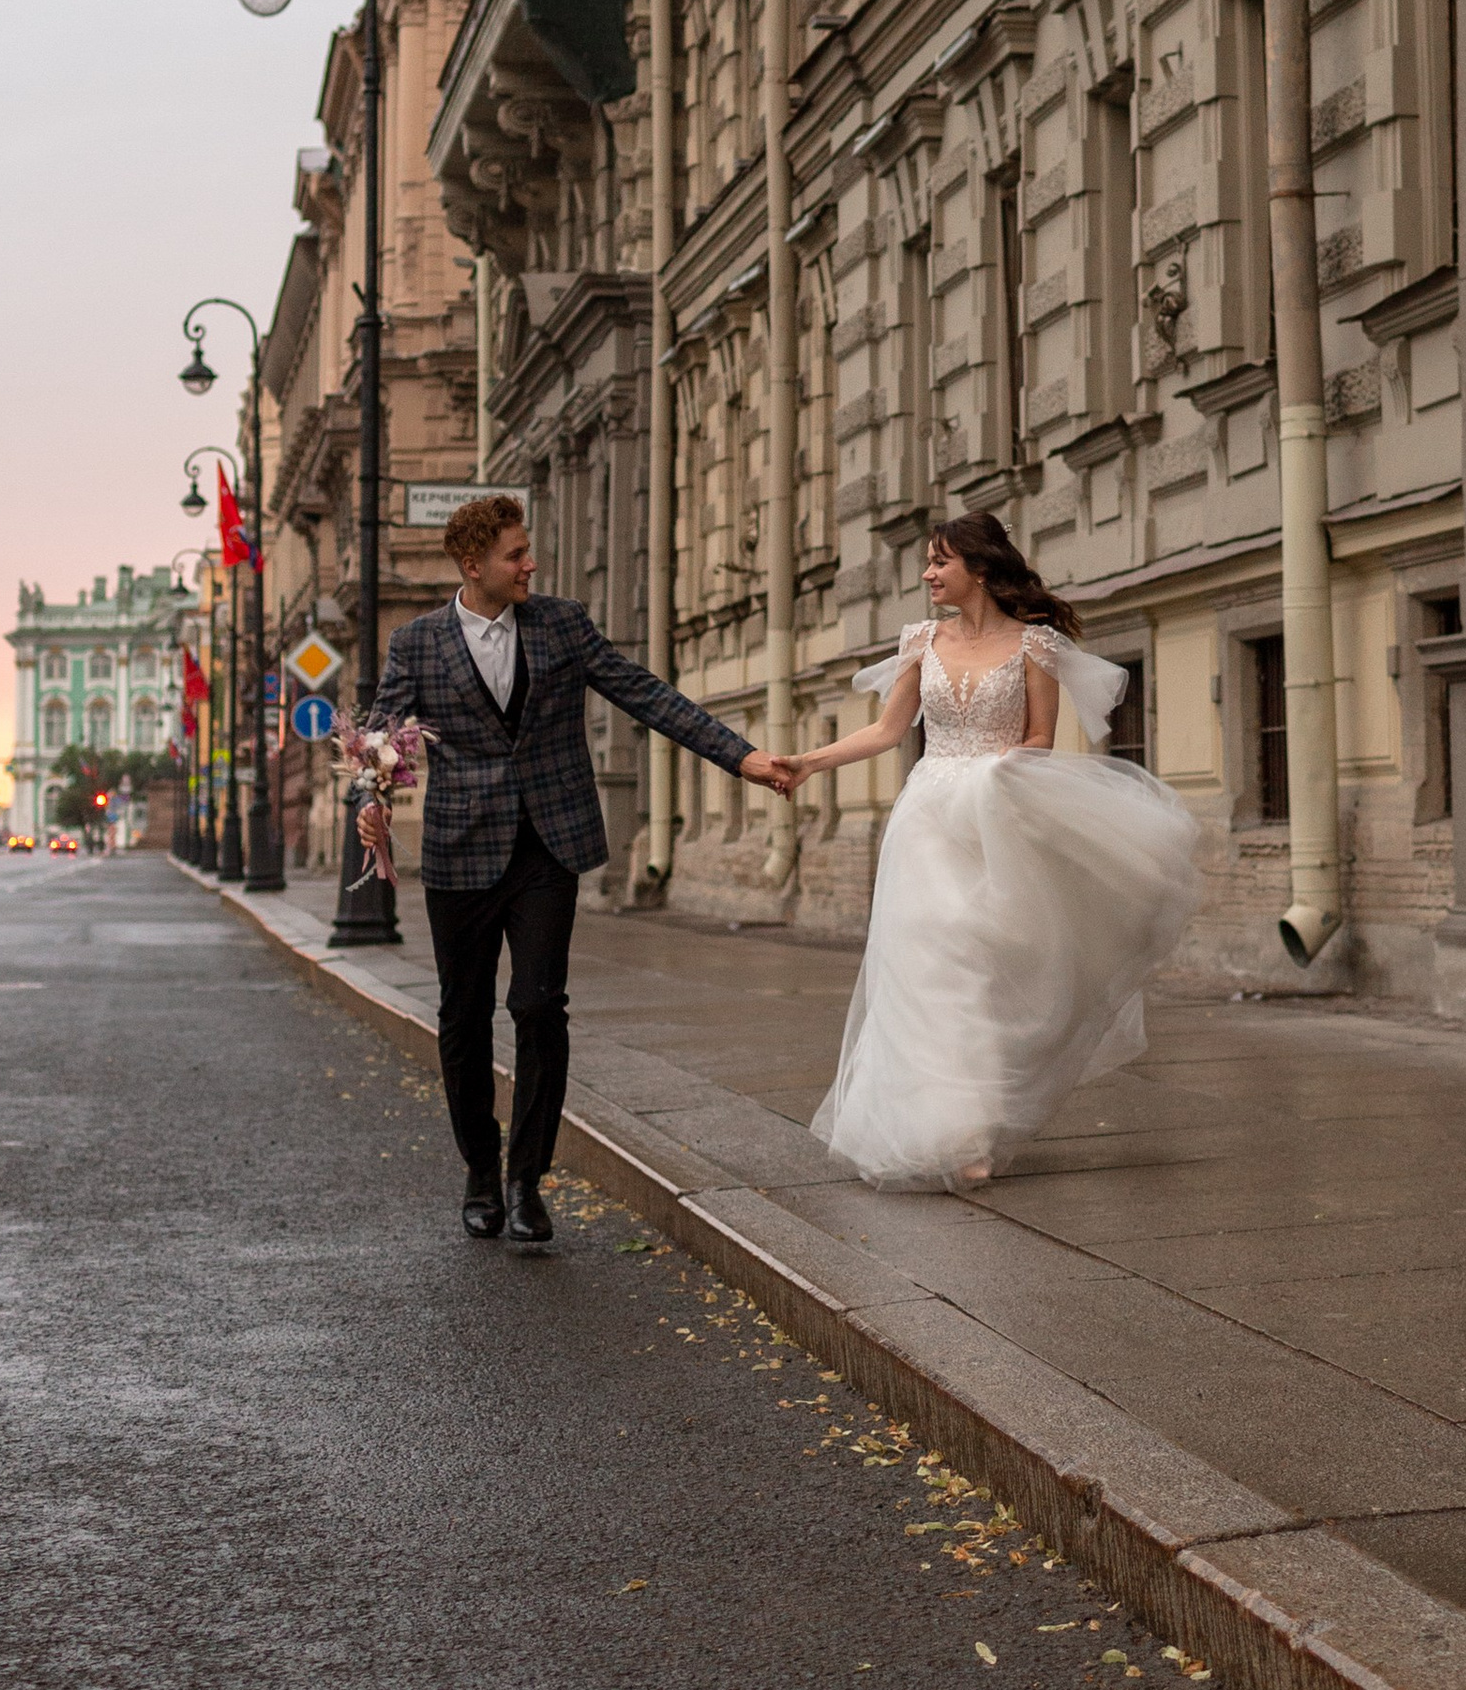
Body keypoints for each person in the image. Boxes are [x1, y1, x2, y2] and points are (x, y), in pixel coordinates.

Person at [360, 494, 796, 1245]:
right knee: (462, 1017)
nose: (531, 564)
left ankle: (528, 1180)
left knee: (537, 1006)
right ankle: (479, 1171)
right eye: (515, 554)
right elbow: (381, 740)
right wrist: (367, 801)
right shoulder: (418, 643)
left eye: (528, 551)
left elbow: (644, 693)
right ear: (474, 566)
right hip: (462, 851)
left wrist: (742, 757)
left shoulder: (562, 622)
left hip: (546, 847)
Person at [792, 512, 1203, 1192]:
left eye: (939, 562)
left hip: (993, 808)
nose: (927, 574)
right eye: (928, 562)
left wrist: (996, 777)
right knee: (926, 967)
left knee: (978, 968)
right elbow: (889, 731)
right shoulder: (920, 641)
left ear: (978, 569)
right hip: (926, 818)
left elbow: (1039, 737)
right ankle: (933, 1131)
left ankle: (973, 1127)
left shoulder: (1034, 647)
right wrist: (807, 762)